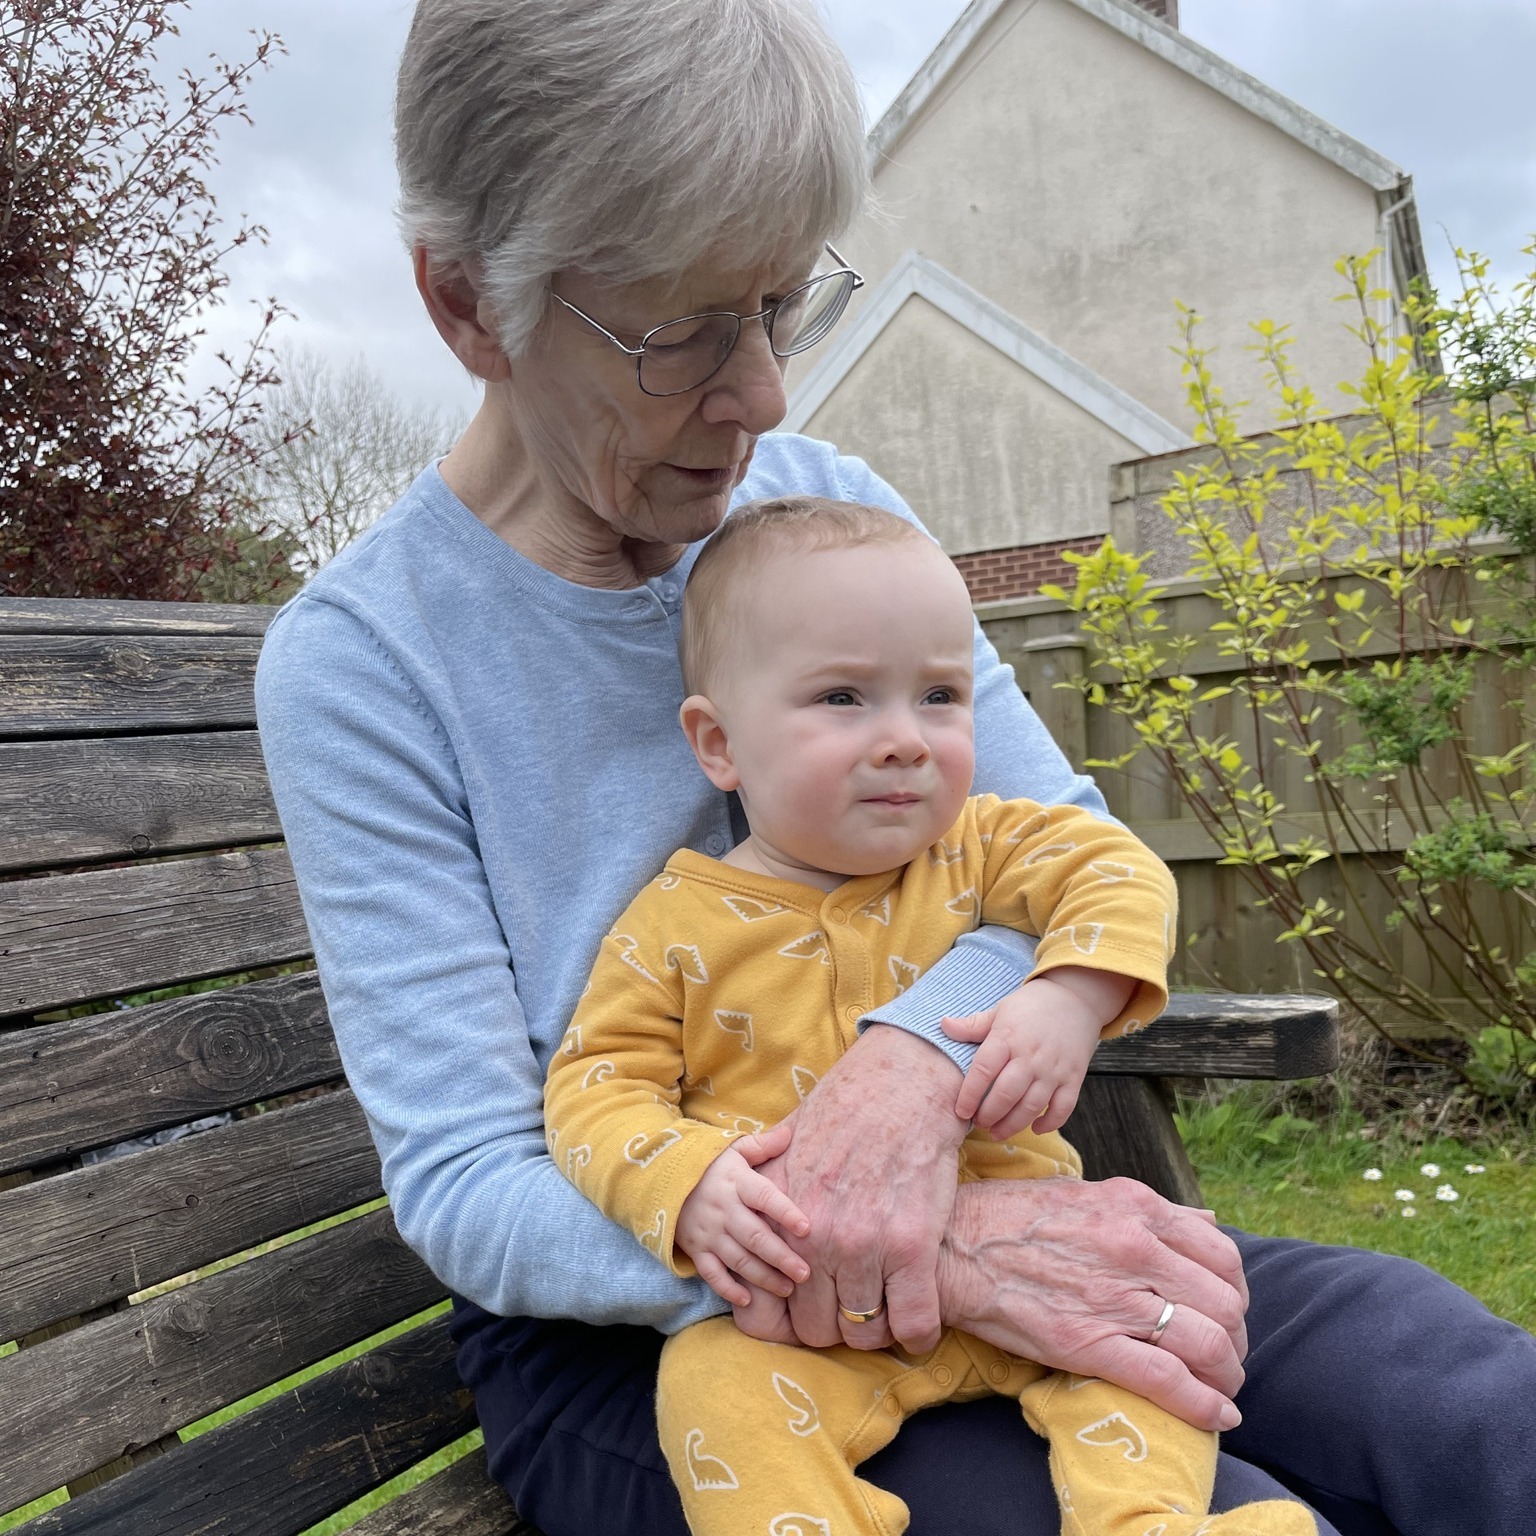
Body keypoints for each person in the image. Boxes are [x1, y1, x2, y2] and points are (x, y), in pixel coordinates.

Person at [252, 1, 1536, 1532]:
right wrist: (898, 1243)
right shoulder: (371, 662)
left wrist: (914, 1063)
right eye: (682, 332)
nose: (764, 393)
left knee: (1455, 1397)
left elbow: (1055, 852)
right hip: (654, 1336)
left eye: (782, 303)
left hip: (991, 1193)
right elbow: (473, 1181)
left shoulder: (822, 510)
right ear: (468, 304)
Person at [545, 495, 1317, 1536]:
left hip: (1052, 1279)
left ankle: (1148, 1525)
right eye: (843, 698)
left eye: (940, 696)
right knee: (715, 1391)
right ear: (719, 743)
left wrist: (1068, 992)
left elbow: (1117, 870)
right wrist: (685, 1187)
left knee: (1152, 1360)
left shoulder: (982, 847)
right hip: (818, 1324)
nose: (905, 740)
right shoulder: (670, 927)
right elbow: (596, 1089)